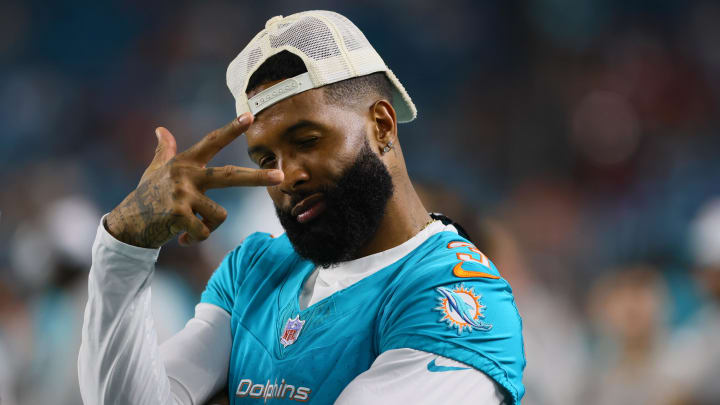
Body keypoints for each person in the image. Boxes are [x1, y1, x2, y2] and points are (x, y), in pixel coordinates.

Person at [78, 10, 525, 405]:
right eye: (266, 159)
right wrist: (124, 247)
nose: (286, 177)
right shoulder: (254, 269)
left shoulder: (458, 300)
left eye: (307, 141)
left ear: (382, 124)